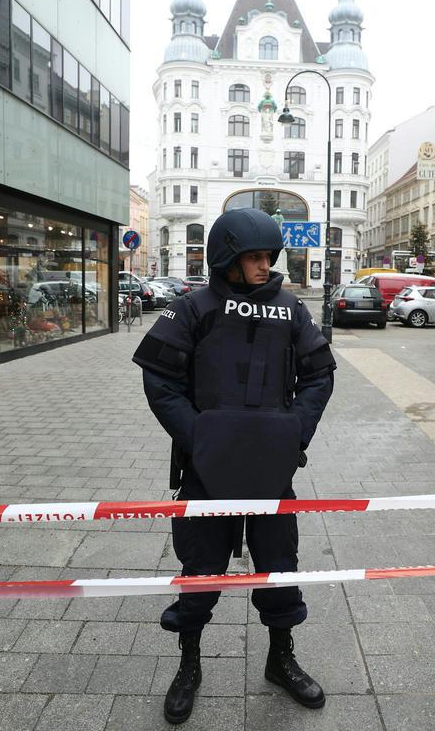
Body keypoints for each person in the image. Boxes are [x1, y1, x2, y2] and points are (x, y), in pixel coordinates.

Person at [132, 208, 336, 725]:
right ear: (226, 257)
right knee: (200, 571)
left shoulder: (290, 310)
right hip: (206, 473)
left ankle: (280, 657)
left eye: (269, 257)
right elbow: (159, 380)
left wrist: (293, 435)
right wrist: (199, 438)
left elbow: (319, 377)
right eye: (254, 257)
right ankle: (189, 664)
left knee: (278, 568)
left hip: (272, 472)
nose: (264, 266)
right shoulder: (193, 308)